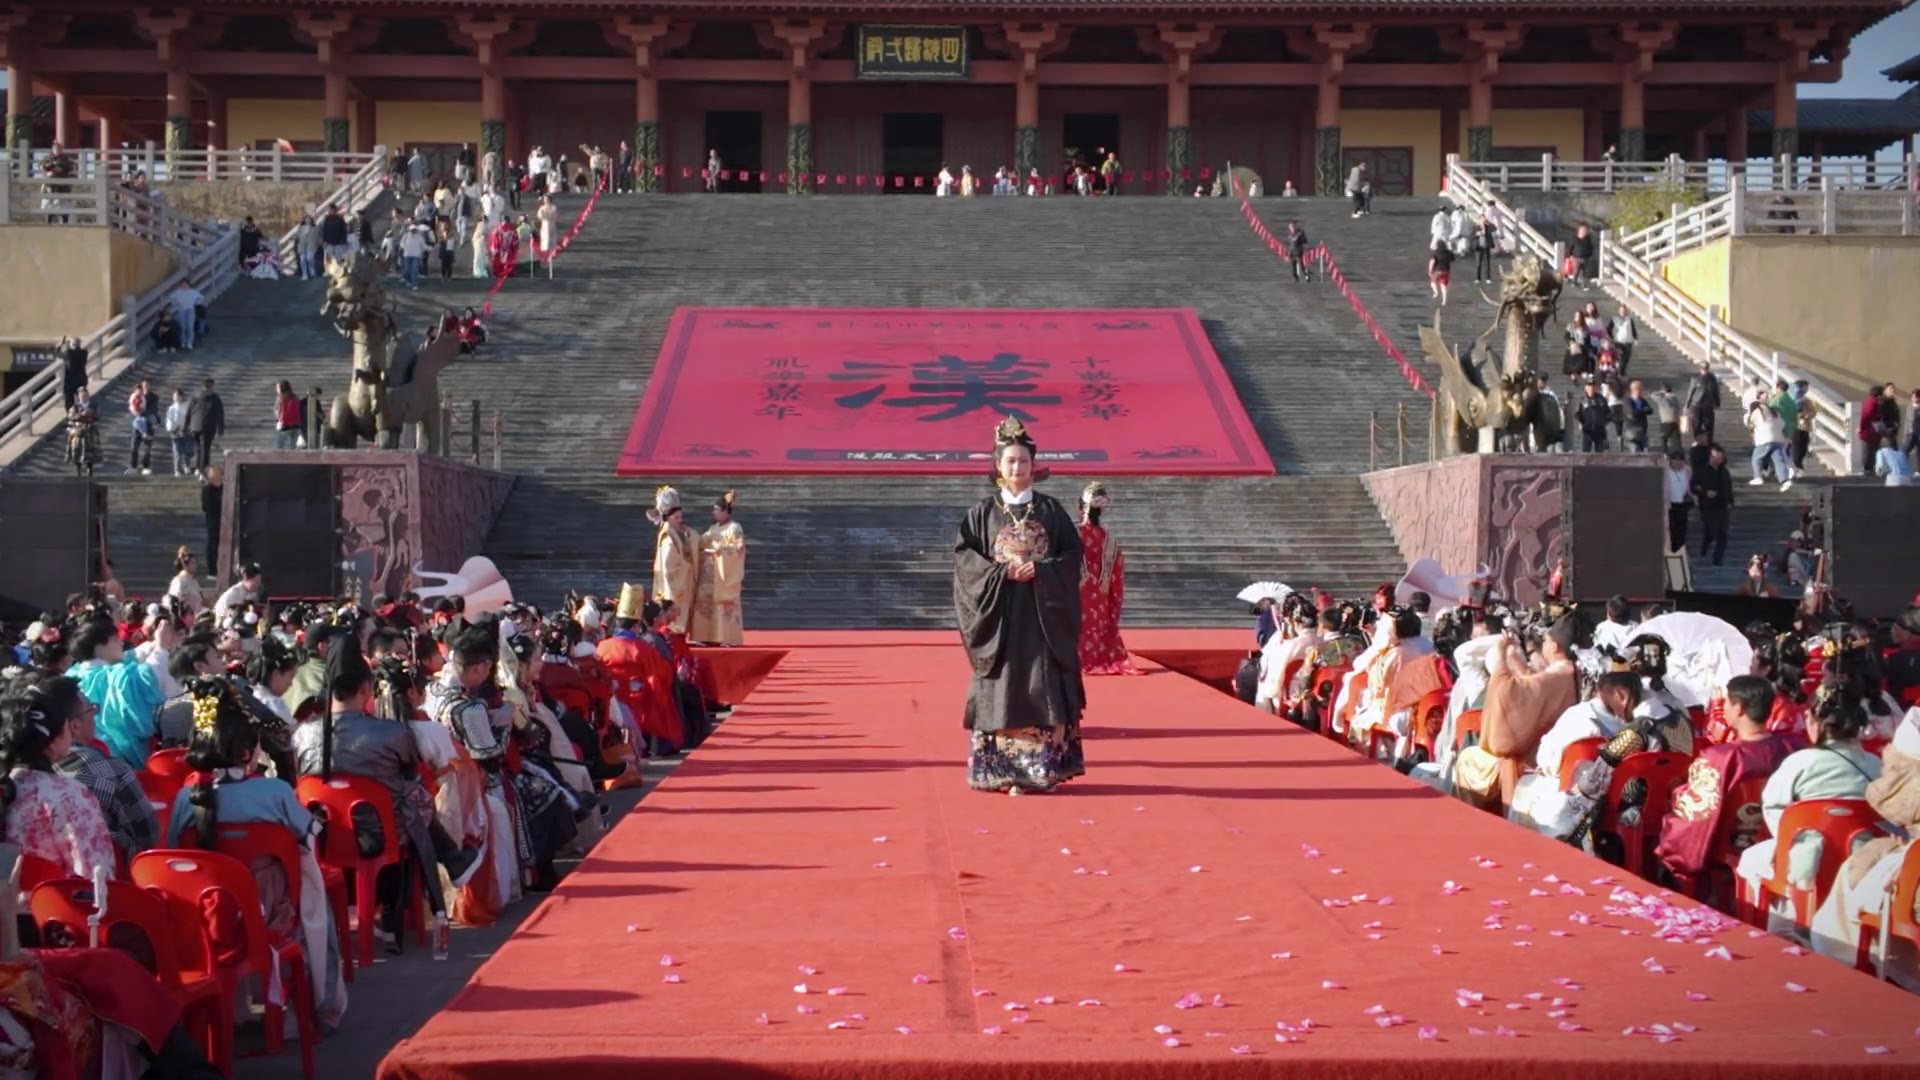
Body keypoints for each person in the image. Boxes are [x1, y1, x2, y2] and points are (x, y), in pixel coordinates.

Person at [169, 677, 348, 1027]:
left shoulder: (184, 797)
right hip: (270, 912)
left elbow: (175, 850)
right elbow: (311, 837)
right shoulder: (275, 792)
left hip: (209, 913)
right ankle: (315, 1007)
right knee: (312, 886)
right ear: (249, 753)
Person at [955, 418, 1086, 795]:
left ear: (1034, 465)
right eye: (1010, 461)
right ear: (998, 465)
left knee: (1041, 683)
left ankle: (1043, 768)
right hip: (1001, 617)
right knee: (1004, 684)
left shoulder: (1050, 510)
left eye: (1023, 462)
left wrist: (1043, 570)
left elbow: (1072, 554)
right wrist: (1001, 574)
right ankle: (1001, 769)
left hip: (1044, 616)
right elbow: (965, 561)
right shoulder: (982, 514)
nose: (1017, 469)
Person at [1734, 684, 1883, 922]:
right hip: (1862, 857)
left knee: (1751, 858)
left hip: (1806, 858)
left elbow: (1772, 805)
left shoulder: (1800, 762)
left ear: (1819, 725)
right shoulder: (1876, 764)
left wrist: (1788, 841)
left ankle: (1767, 926)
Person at [1654, 675, 1795, 892]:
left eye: (1727, 702)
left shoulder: (1719, 758)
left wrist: (1678, 794)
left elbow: (1694, 819)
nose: (1724, 707)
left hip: (1729, 852)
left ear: (1738, 708)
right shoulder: (1791, 747)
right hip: (1780, 845)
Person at [0, 680, 117, 880]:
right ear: (51, 740)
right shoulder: (70, 795)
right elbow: (96, 876)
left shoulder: (7, 788)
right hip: (55, 908)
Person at [1509, 672, 1644, 837]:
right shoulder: (1628, 729)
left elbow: (1547, 761)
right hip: (1613, 799)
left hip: (1571, 794)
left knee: (1527, 786)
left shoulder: (1576, 715)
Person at [48, 672, 160, 862]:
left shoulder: (14, 778)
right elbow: (148, 836)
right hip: (109, 881)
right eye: (91, 711)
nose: (95, 717)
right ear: (74, 726)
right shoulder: (108, 771)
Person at [68, 618, 167, 768]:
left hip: (79, 760)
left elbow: (130, 655)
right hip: (121, 764)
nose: (121, 643)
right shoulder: (122, 676)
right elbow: (150, 678)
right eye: (115, 639)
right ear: (99, 647)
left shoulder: (71, 675)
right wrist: (161, 648)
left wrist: (155, 645)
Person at [1075, 482, 1138, 676]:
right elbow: (1117, 570)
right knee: (1097, 626)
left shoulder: (1072, 534)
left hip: (1076, 591)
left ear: (1080, 508)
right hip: (1101, 594)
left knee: (1077, 626)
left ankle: (1077, 659)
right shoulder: (1109, 538)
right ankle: (1099, 657)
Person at [690, 491, 746, 647]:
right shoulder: (713, 528)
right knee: (705, 602)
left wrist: (722, 549)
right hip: (709, 572)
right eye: (714, 510)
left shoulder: (735, 528)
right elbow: (701, 541)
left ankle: (726, 637)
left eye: (717, 510)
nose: (714, 513)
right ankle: (704, 635)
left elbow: (739, 548)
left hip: (724, 573)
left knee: (723, 604)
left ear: (725, 511)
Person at [648, 486, 701, 636]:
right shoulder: (668, 537)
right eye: (676, 518)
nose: (680, 520)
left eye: (680, 517)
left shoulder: (679, 532)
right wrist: (687, 567)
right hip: (675, 583)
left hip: (682, 582)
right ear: (668, 517)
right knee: (673, 621)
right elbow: (668, 564)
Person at [1692, 444, 1734, 566]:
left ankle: (1717, 558)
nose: (1718, 461)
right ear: (1710, 456)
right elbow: (1693, 486)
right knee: (1711, 531)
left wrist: (1730, 501)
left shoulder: (1724, 471)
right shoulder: (1701, 470)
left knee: (1723, 534)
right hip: (1707, 507)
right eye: (1716, 458)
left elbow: (1728, 487)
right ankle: (1705, 545)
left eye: (1721, 458)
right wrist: (1704, 492)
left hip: (1722, 506)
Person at [188, 378, 224, 480]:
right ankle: (203, 472)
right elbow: (219, 413)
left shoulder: (195, 395)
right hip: (207, 427)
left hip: (194, 427)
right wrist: (220, 428)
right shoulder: (214, 398)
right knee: (205, 449)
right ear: (211, 386)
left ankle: (197, 469)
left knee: (198, 448)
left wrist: (186, 424)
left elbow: (189, 410)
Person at [1685, 360, 1720, 440]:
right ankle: (1698, 441)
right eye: (1703, 368)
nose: (1705, 370)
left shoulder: (1712, 379)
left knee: (1709, 425)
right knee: (1697, 425)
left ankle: (1709, 442)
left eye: (1706, 368)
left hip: (1708, 405)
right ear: (1700, 369)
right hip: (1696, 405)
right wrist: (1687, 404)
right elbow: (1691, 392)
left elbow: (1716, 391)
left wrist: (1717, 402)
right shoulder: (1695, 379)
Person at [166, 546, 205, 617]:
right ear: (186, 565)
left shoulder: (194, 581)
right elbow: (175, 599)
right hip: (184, 614)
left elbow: (201, 598)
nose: (195, 565)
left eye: (195, 563)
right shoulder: (178, 580)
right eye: (193, 563)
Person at [201, 465, 224, 575]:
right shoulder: (207, 489)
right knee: (213, 546)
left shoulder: (225, 488)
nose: (220, 475)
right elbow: (206, 506)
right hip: (213, 522)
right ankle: (212, 571)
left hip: (226, 521)